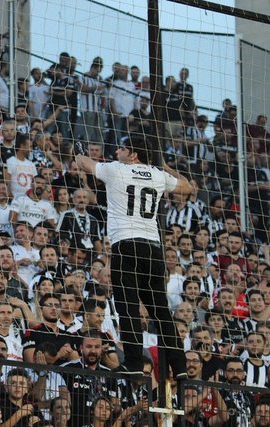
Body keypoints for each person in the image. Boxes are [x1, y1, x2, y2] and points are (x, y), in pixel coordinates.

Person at [75, 136, 192, 378]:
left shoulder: (116, 170)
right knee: (160, 310)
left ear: (133, 155)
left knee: (127, 306)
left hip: (126, 244)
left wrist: (78, 152)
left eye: (122, 148)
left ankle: (135, 363)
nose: (117, 151)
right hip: (153, 248)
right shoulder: (158, 175)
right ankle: (180, 366)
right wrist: (164, 166)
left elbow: (84, 163)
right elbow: (188, 187)